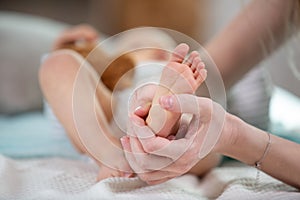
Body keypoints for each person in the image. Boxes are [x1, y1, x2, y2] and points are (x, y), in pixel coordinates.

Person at [121, 0, 300, 188]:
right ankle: (163, 124)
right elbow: (211, 73)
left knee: (202, 144)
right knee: (195, 142)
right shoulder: (129, 80)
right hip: (217, 97)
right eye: (138, 47)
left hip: (239, 100)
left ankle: (163, 123)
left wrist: (235, 137)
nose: (155, 48)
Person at [39, 25, 214, 181]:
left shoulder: (184, 76)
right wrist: (67, 50)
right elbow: (66, 93)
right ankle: (108, 152)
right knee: (58, 63)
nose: (158, 50)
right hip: (112, 111)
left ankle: (161, 119)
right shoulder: (110, 77)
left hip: (169, 118)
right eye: (136, 47)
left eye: (167, 49)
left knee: (203, 133)